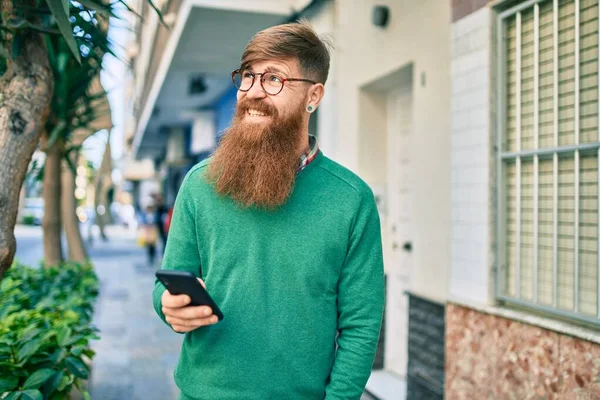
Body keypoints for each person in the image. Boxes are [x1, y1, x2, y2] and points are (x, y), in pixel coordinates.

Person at [152, 19, 385, 400]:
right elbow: (168, 282)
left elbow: (361, 325)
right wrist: (168, 305)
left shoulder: (351, 199)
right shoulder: (199, 183)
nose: (253, 92)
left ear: (314, 96)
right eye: (248, 76)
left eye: (273, 79)